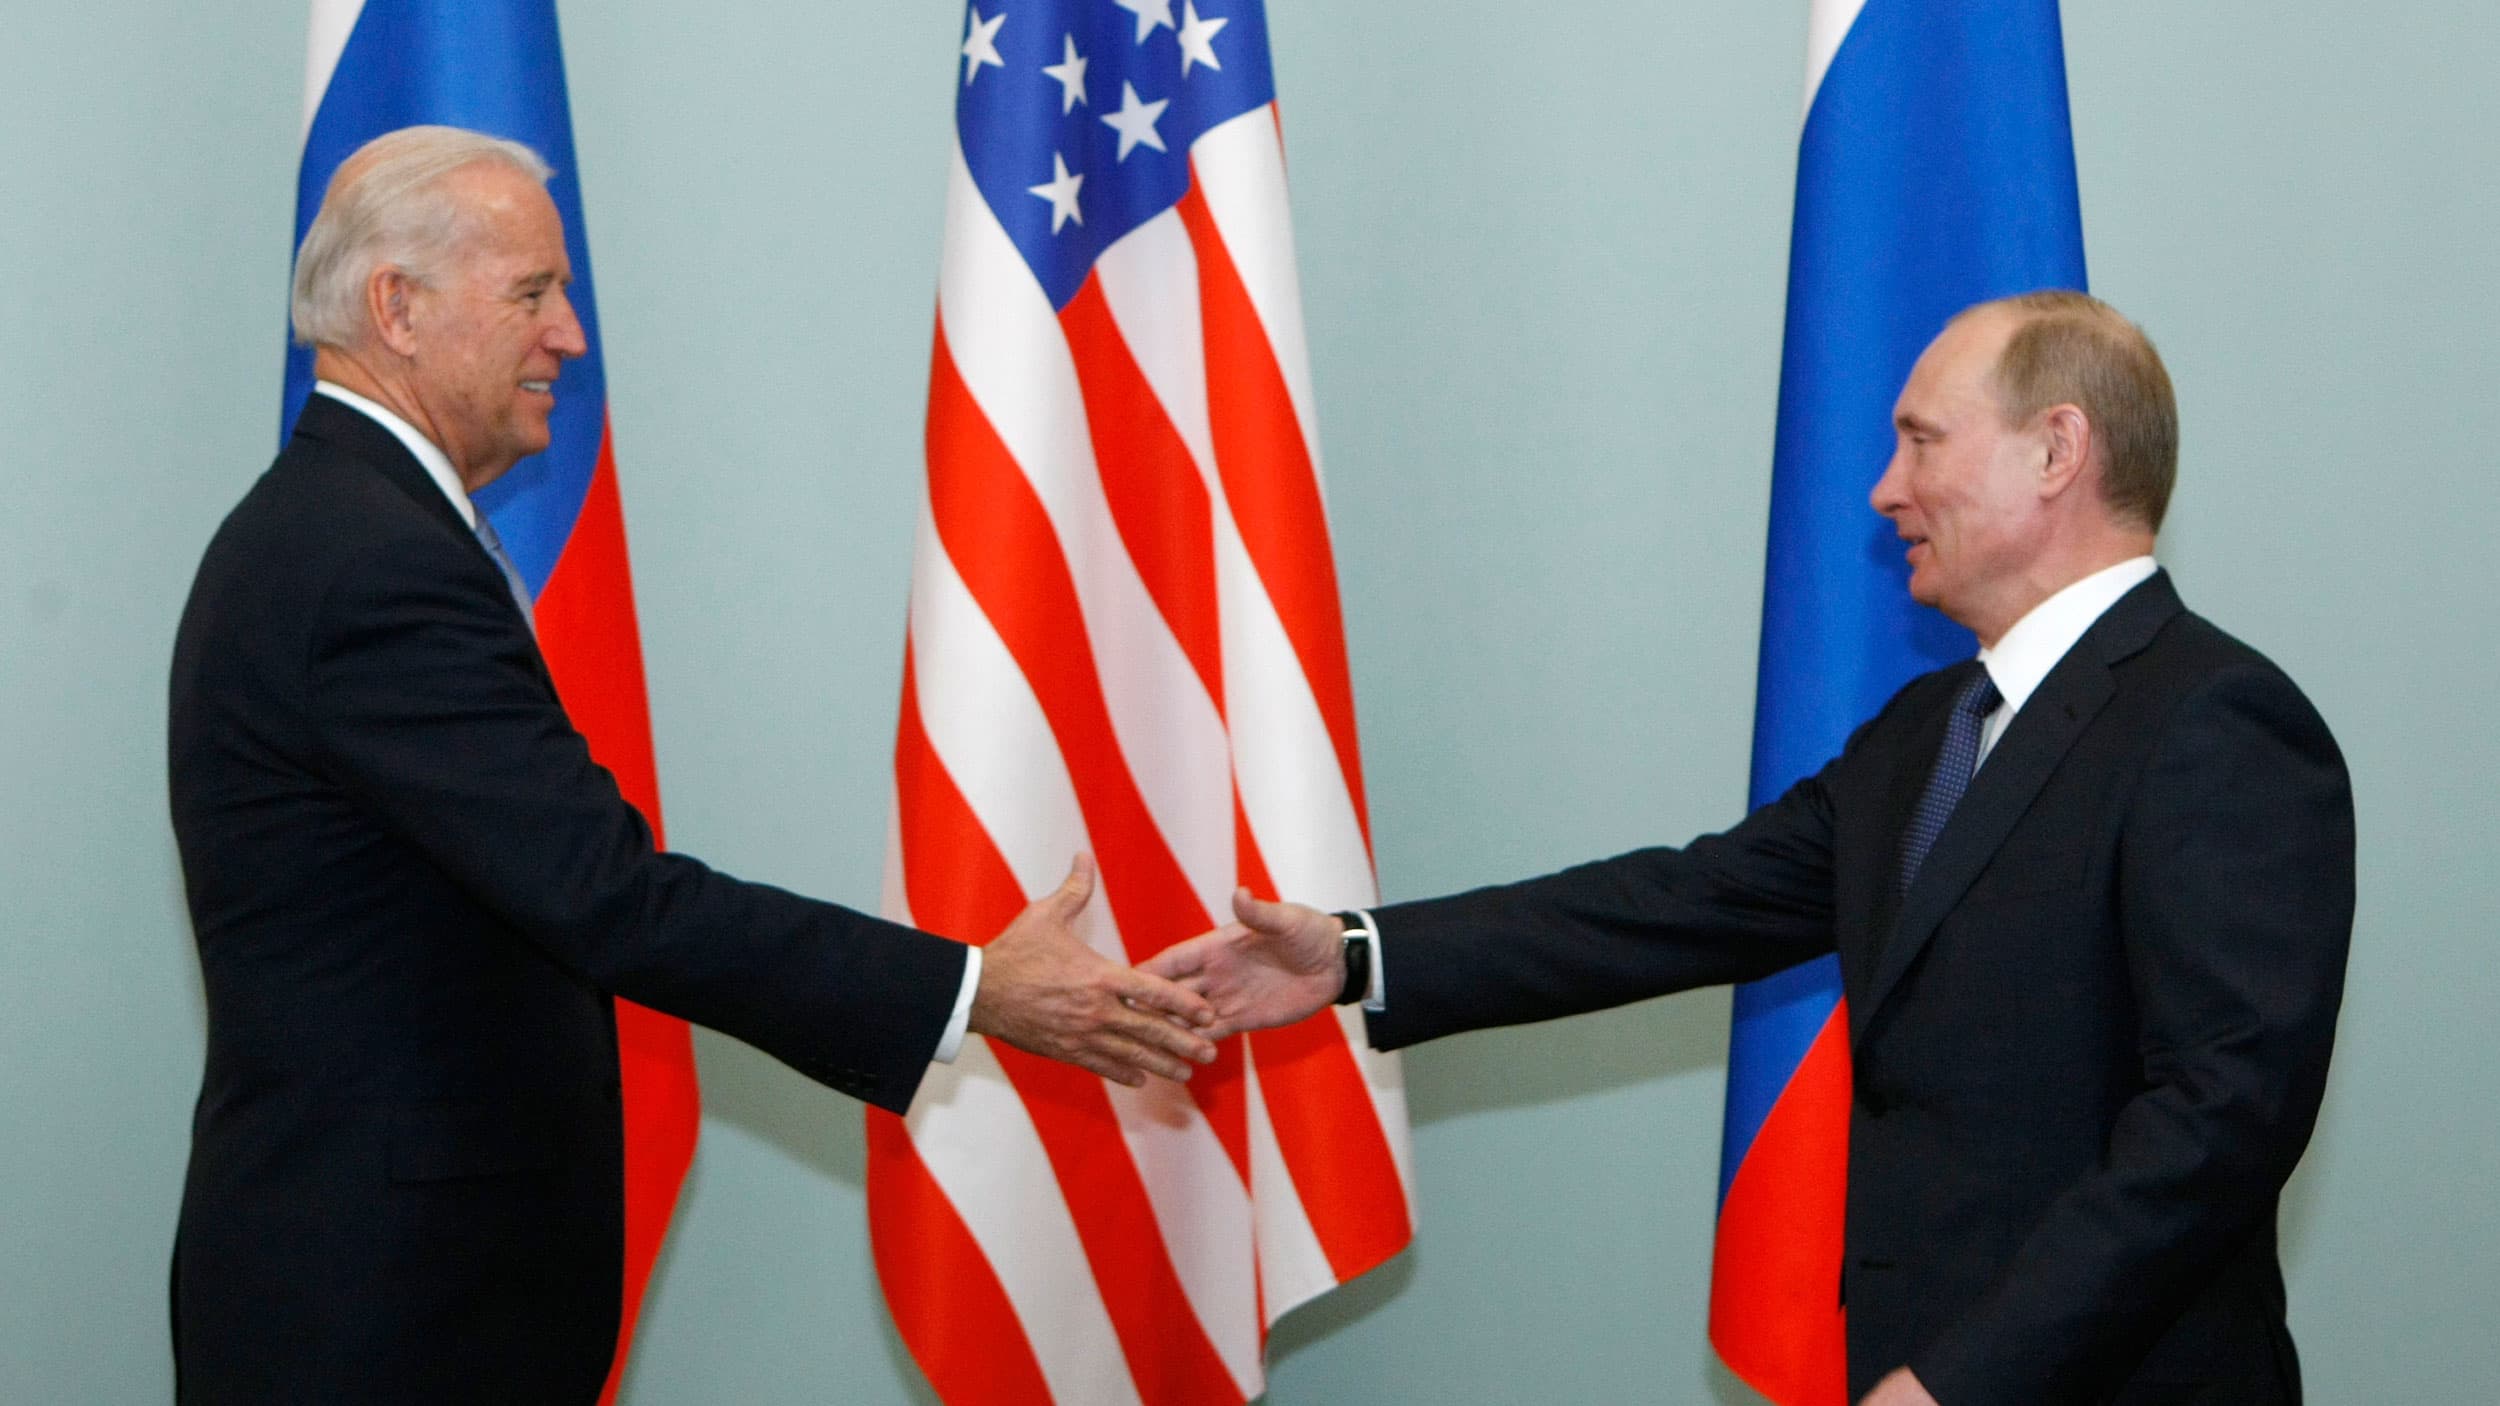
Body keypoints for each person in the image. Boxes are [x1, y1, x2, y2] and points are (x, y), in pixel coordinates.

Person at [1147, 292, 2354, 1405]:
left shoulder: (2213, 722)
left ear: (2055, 450)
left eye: (1921, 440)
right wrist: (1354, 955)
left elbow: (2218, 1118)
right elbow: (1679, 902)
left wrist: (1967, 1377)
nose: (1885, 489)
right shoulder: (1927, 732)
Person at [166, 125, 1214, 1405]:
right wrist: (973, 984)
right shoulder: (367, 561)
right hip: (384, 1315)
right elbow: (610, 897)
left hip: (402, 1289)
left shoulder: (342, 529)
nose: (569, 338)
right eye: (533, 293)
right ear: (397, 307)